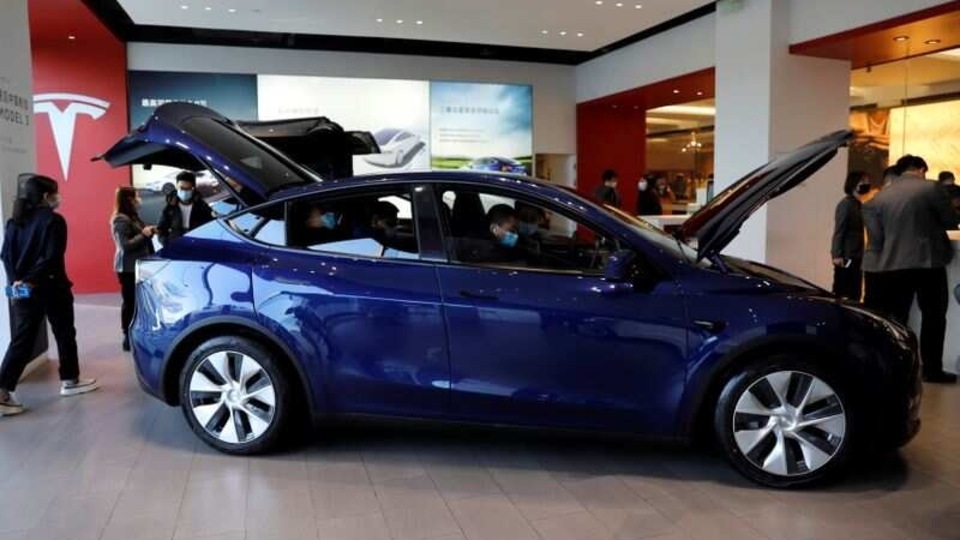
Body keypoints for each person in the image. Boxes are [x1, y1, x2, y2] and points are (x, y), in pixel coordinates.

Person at [0, 174, 99, 416]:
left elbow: (5, 255)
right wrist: (32, 280)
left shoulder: (14, 222)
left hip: (23, 290)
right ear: (46, 196)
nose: (58, 197)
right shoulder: (54, 221)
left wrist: (18, 281)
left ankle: (2, 391)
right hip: (52, 288)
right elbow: (52, 258)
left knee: (22, 339)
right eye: (55, 193)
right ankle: (70, 381)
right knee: (64, 333)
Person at [863, 155, 958, 384]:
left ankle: (899, 367)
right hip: (928, 263)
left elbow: (877, 238)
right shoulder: (930, 188)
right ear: (922, 169)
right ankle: (932, 369)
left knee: (898, 319)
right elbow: (949, 221)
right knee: (934, 317)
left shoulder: (879, 197)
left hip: (893, 265)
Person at [112, 187, 156, 352]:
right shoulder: (120, 220)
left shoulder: (133, 217)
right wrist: (143, 235)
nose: (139, 200)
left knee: (140, 301)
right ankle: (127, 335)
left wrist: (148, 232)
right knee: (130, 302)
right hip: (128, 268)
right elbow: (125, 245)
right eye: (136, 197)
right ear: (129, 199)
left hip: (139, 265)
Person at [830, 171, 870, 300]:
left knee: (855, 291)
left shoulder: (858, 205)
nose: (866, 184)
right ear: (854, 184)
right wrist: (837, 254)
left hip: (856, 255)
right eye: (863, 182)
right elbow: (839, 230)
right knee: (844, 290)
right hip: (847, 256)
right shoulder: (846, 205)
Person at [157, 171, 213, 246]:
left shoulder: (202, 206)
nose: (184, 192)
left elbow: (211, 224)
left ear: (193, 189)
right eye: (182, 188)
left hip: (198, 243)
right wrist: (166, 243)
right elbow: (161, 229)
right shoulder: (170, 207)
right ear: (176, 187)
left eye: (188, 189)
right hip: (176, 244)